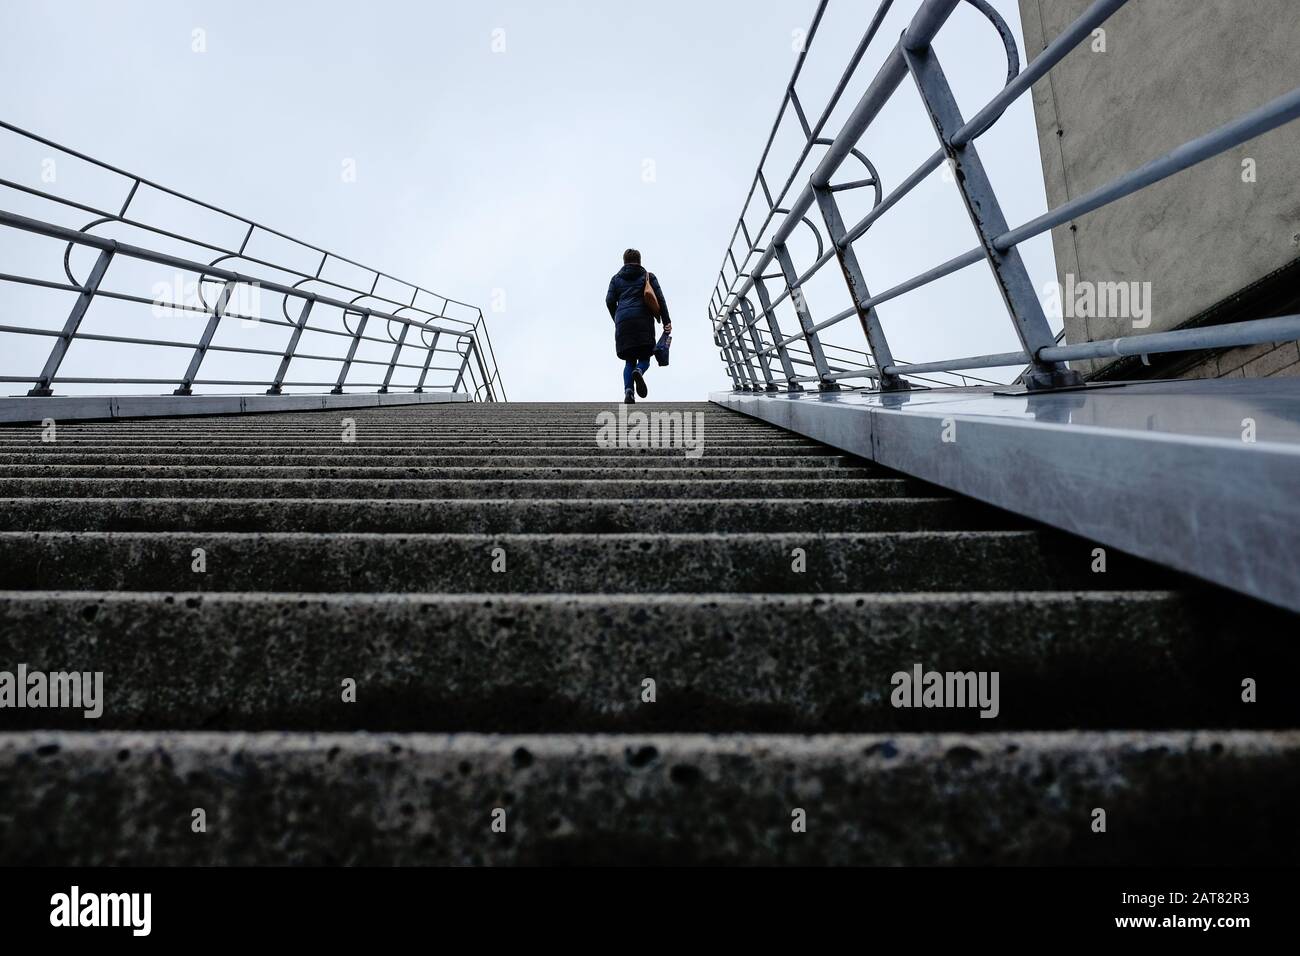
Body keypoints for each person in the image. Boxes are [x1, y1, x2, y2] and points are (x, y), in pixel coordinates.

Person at [605, 248, 671, 403]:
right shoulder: (648, 276)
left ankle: (629, 392)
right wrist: (666, 321)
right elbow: (660, 299)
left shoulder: (615, 279)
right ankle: (639, 371)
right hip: (643, 322)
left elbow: (609, 301)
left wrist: (617, 318)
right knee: (645, 358)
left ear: (624, 261)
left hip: (623, 323)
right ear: (640, 261)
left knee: (629, 359)